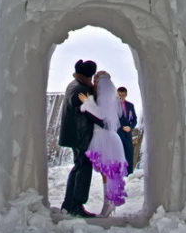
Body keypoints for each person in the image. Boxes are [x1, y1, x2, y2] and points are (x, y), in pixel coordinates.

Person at [79, 71, 128, 217]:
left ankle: (109, 203)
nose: (94, 82)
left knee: (107, 172)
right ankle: (109, 202)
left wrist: (87, 104)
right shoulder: (109, 98)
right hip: (106, 138)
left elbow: (101, 115)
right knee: (106, 173)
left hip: (105, 138)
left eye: (96, 80)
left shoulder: (104, 98)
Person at [59, 59, 102, 217]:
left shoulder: (74, 84)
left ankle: (68, 205)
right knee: (83, 169)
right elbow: (88, 109)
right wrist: (105, 122)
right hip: (80, 135)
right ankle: (76, 206)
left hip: (75, 135)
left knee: (78, 167)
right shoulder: (80, 89)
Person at [116, 86, 138, 175]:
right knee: (118, 154)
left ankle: (129, 174)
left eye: (123, 95)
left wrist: (130, 127)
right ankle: (118, 173)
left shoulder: (130, 106)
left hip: (128, 135)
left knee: (129, 154)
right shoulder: (113, 106)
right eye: (119, 95)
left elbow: (134, 119)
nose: (121, 97)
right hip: (118, 134)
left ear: (126, 95)